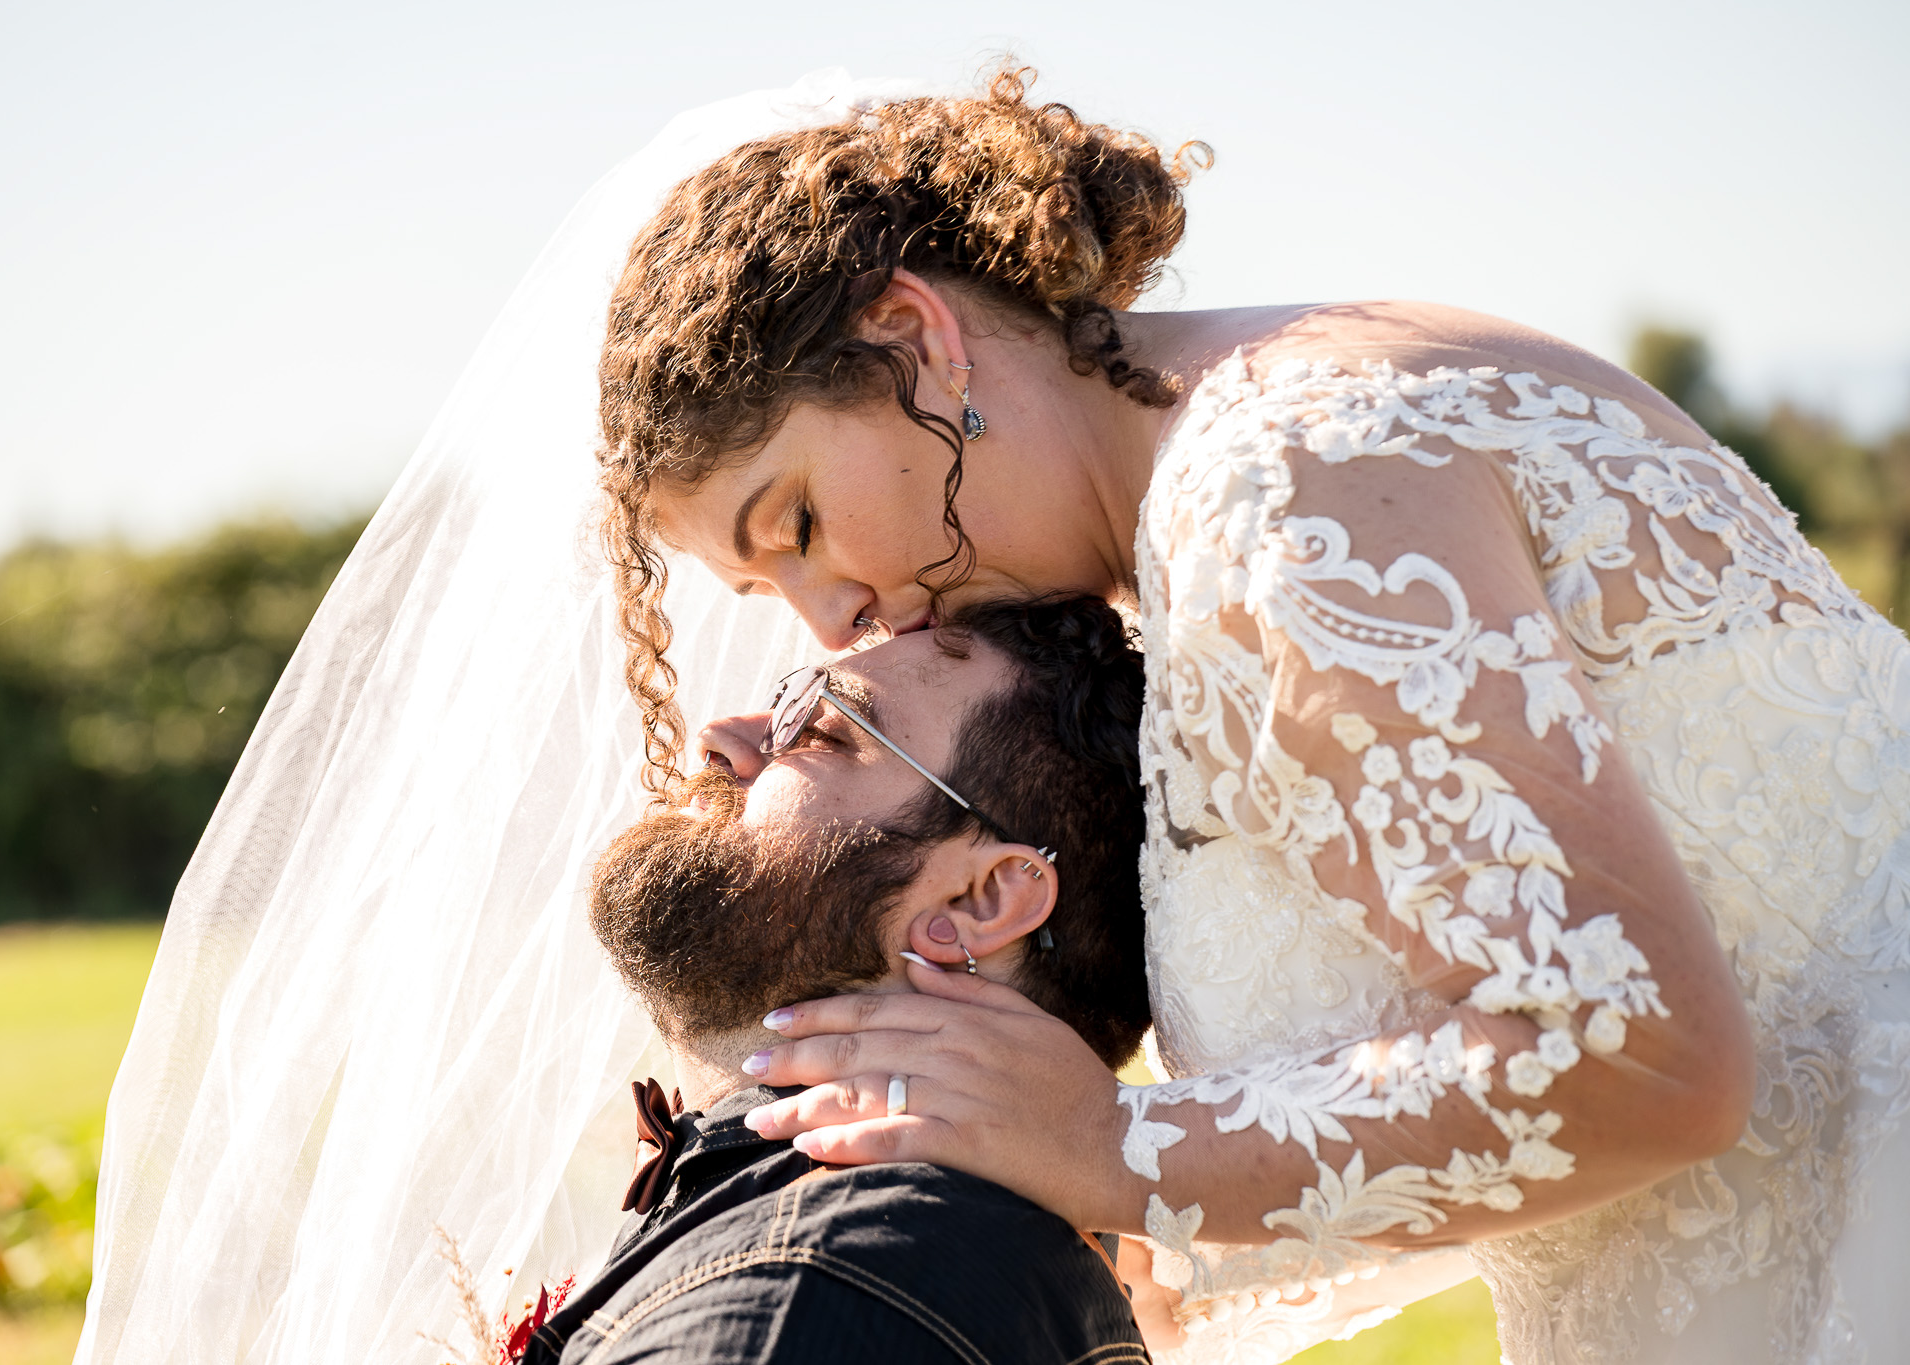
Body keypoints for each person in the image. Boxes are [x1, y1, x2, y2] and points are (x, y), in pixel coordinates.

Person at [592, 68, 1910, 1365]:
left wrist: (1115, 1146)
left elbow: (1637, 1062)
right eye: (767, 587)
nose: (833, 621)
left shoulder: (1280, 500)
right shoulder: (1262, 437)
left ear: (912, 337)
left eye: (798, 524)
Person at [523, 594, 1151, 1363]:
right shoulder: (896, 1257)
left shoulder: (811, 1293)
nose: (723, 735)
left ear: (979, 901)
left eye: (820, 726)